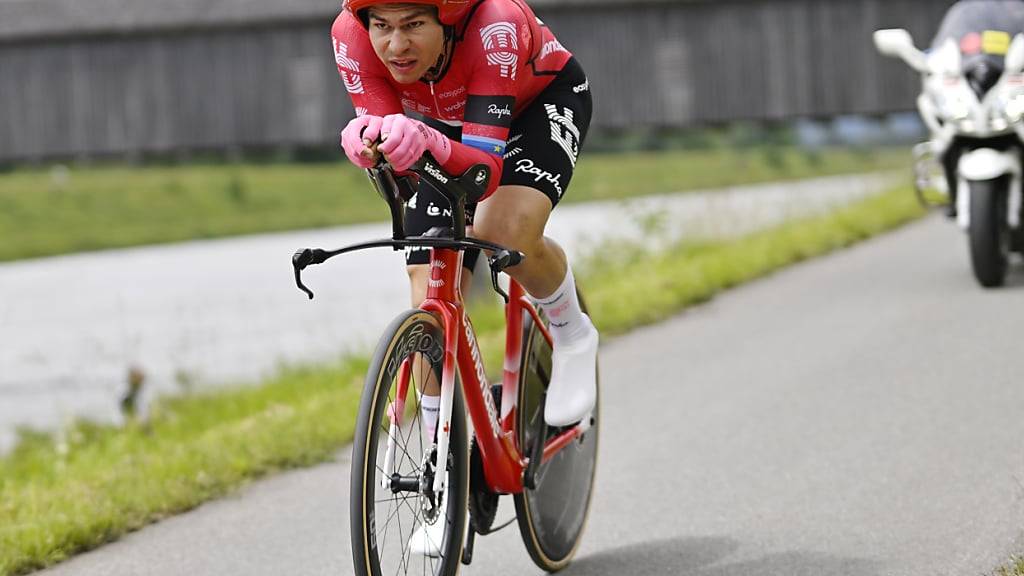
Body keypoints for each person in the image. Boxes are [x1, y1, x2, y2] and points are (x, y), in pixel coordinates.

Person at [331, 0, 597, 556]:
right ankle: (441, 471)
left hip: (532, 108)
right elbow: (383, 132)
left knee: (504, 230)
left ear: (446, 21)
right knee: (428, 290)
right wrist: (369, 143)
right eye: (382, 26)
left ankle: (572, 331)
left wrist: (424, 142)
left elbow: (481, 172)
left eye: (412, 26)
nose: (394, 45)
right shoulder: (350, 36)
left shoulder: (493, 28)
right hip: (438, 125)